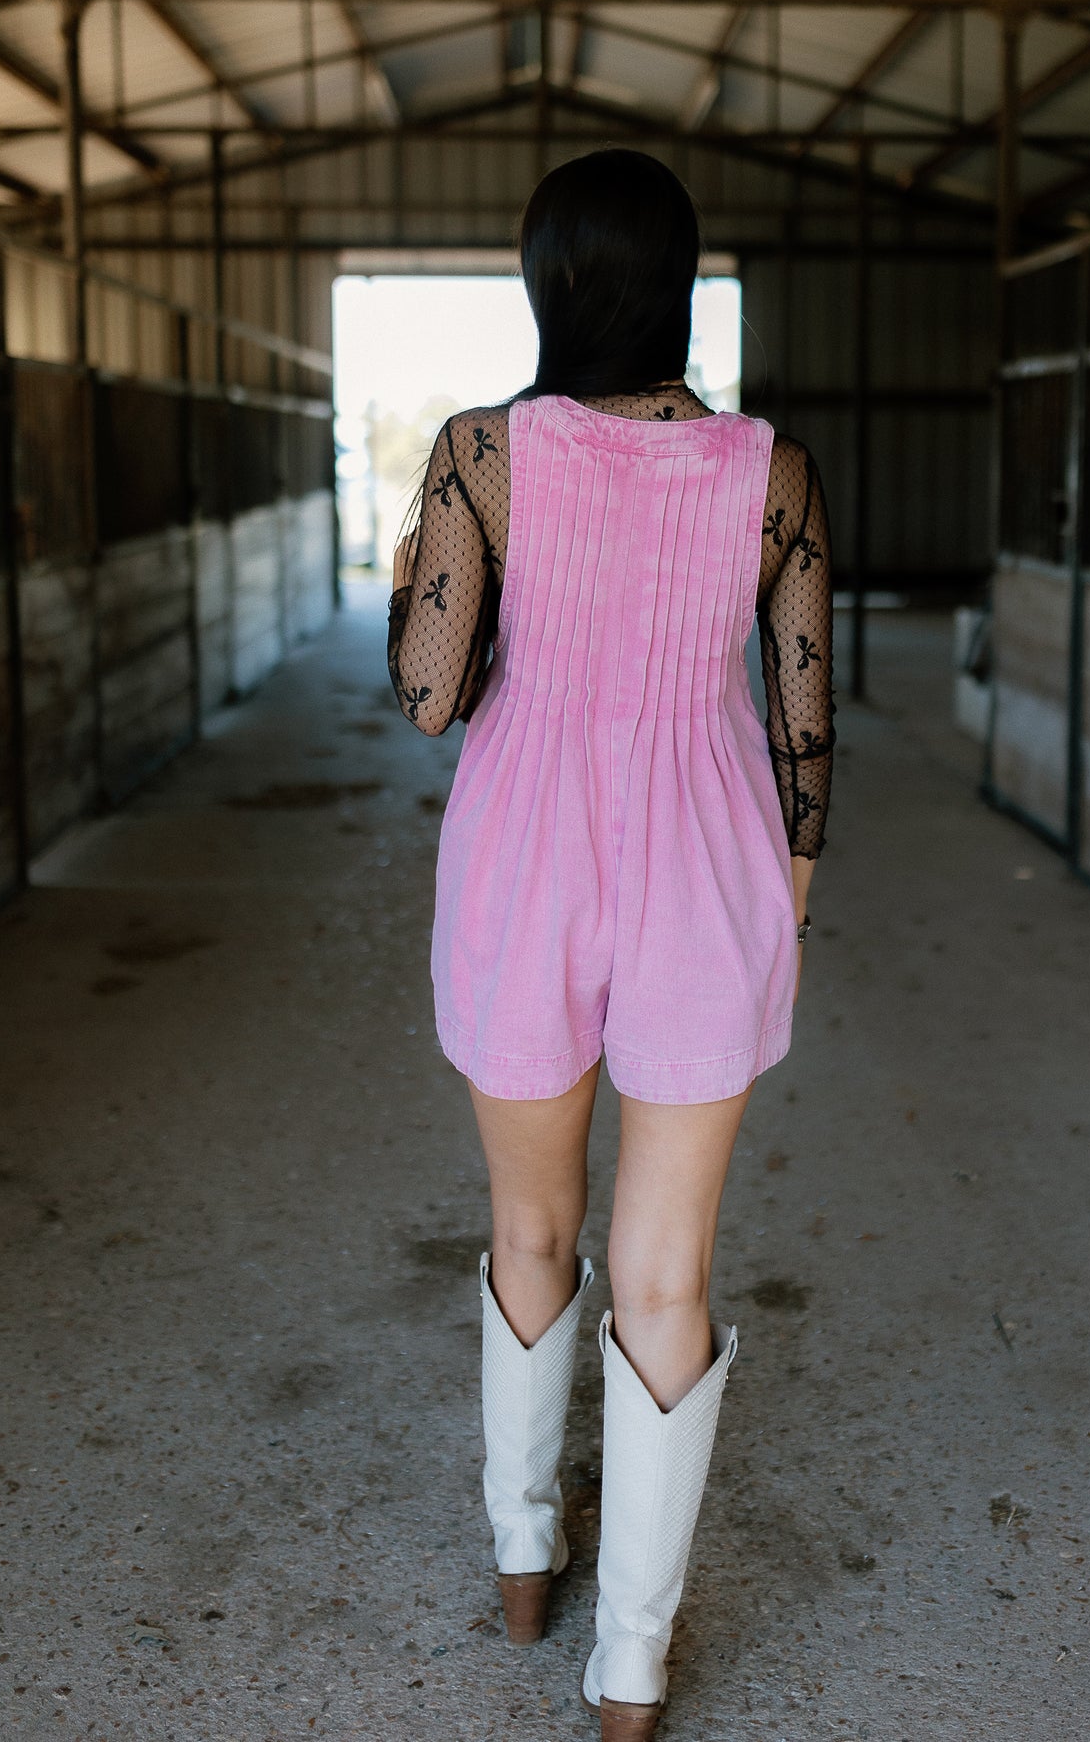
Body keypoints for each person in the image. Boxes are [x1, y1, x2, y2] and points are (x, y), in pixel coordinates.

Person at [388, 148, 834, 1740]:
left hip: (526, 860)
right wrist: (784, 884)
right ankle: (631, 1661)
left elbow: (430, 695)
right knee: (667, 1267)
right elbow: (801, 716)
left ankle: (524, 1552)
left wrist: (429, 584)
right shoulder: (767, 472)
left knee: (532, 1221)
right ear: (678, 280)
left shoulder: (482, 455)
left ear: (544, 285)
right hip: (708, 857)